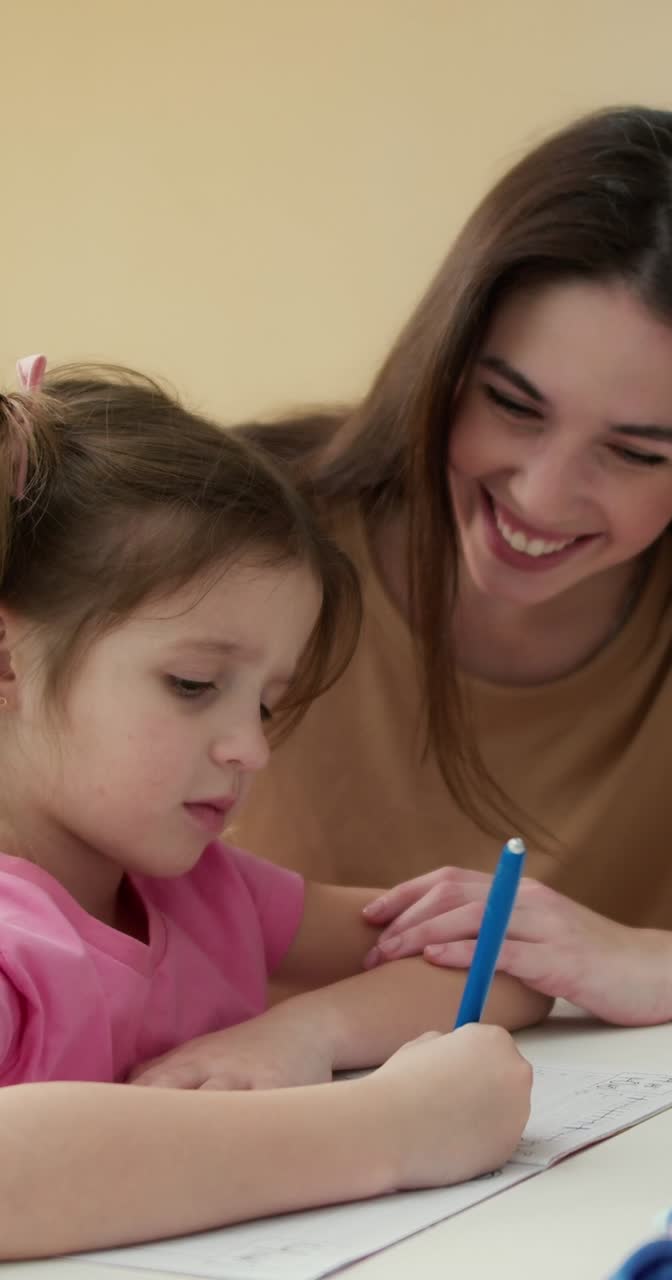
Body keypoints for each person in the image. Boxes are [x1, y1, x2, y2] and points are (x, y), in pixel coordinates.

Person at [0, 357, 541, 1260]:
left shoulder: (209, 894)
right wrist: (391, 1128)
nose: (250, 749)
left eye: (265, 704)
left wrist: (301, 1030)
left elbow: (505, 953)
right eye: (193, 684)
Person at [228, 105, 672, 1027]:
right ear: (446, 362)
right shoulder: (231, 536)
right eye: (513, 406)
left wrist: (662, 964)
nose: (543, 495)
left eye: (635, 453)